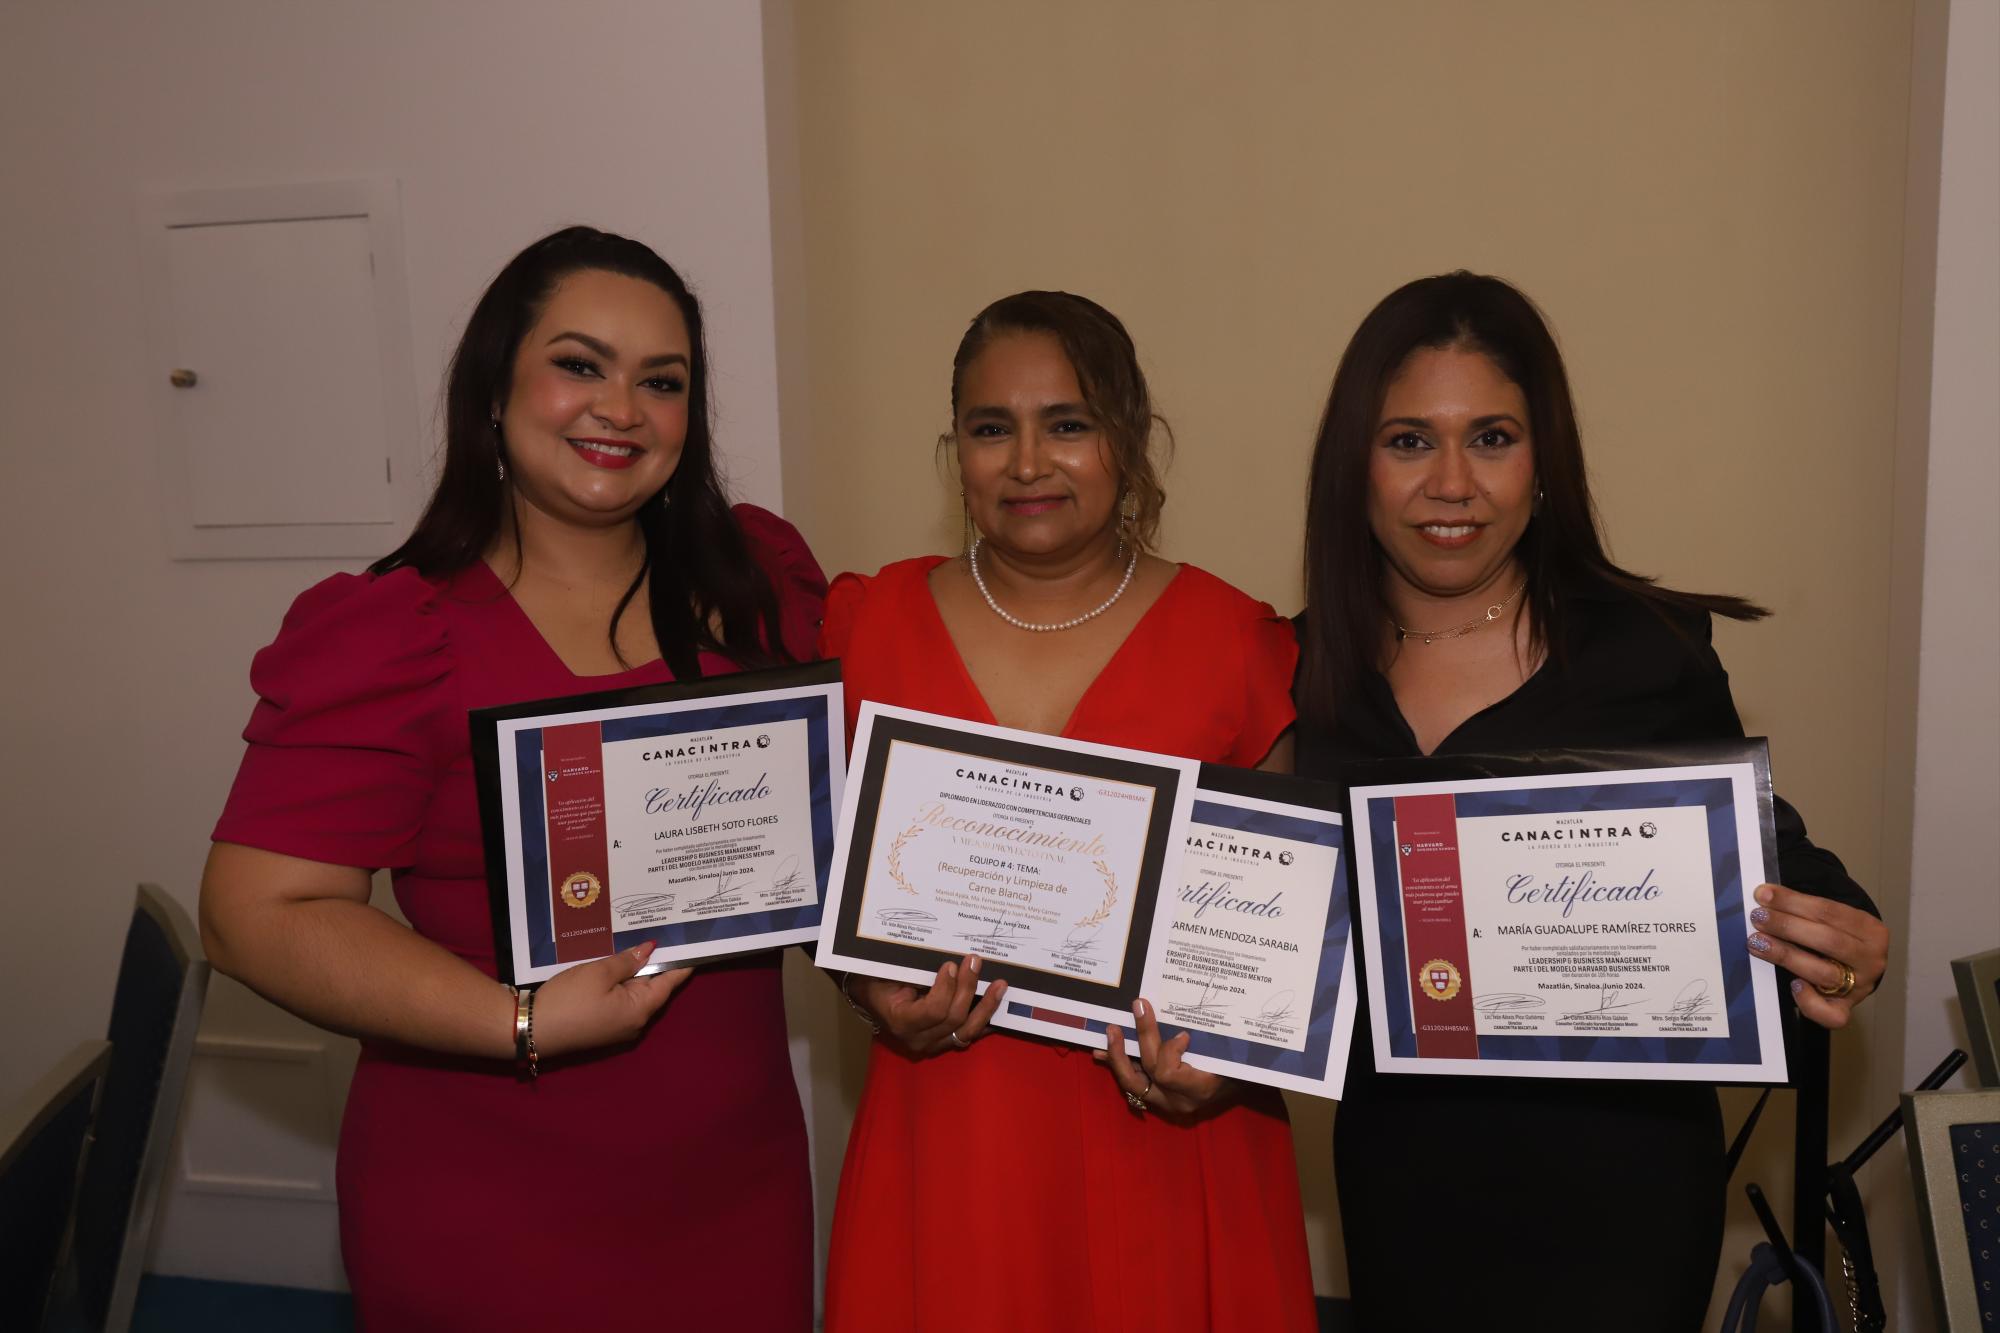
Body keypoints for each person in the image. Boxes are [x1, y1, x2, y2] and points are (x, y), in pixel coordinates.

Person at [199, 227, 826, 1330]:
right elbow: (258, 913)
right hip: (486, 1202)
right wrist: (520, 1021)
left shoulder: (757, 584)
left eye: (661, 381)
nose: (620, 408)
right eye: (579, 364)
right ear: (494, 387)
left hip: (736, 1188)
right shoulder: (395, 634)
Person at [1292, 271, 1890, 1331]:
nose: (1450, 483)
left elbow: (1772, 859)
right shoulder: (1298, 668)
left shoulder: (1638, 653)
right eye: (1405, 441)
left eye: (1489, 438)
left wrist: (1838, 938)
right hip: (1398, 1182)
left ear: (1542, 464)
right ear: (1354, 466)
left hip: (1616, 1190)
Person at [822, 292, 1318, 1332]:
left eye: (1069, 422)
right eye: (989, 427)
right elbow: (830, 890)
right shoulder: (869, 626)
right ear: (954, 448)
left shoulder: (1237, 642)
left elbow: (1286, 933)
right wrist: (868, 992)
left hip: (1172, 1137)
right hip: (952, 1123)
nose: (1027, 461)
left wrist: (1227, 1065)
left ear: (1130, 441)